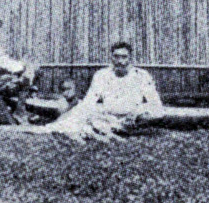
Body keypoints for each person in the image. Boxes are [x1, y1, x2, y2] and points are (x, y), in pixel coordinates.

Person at [19, 42, 163, 141]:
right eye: (116, 56)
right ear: (111, 57)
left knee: (151, 116)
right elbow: (89, 102)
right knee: (79, 115)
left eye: (124, 57)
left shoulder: (141, 76)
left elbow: (156, 105)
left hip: (131, 119)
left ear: (130, 58)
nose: (119, 61)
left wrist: (139, 114)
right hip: (107, 117)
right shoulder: (102, 75)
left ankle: (109, 129)